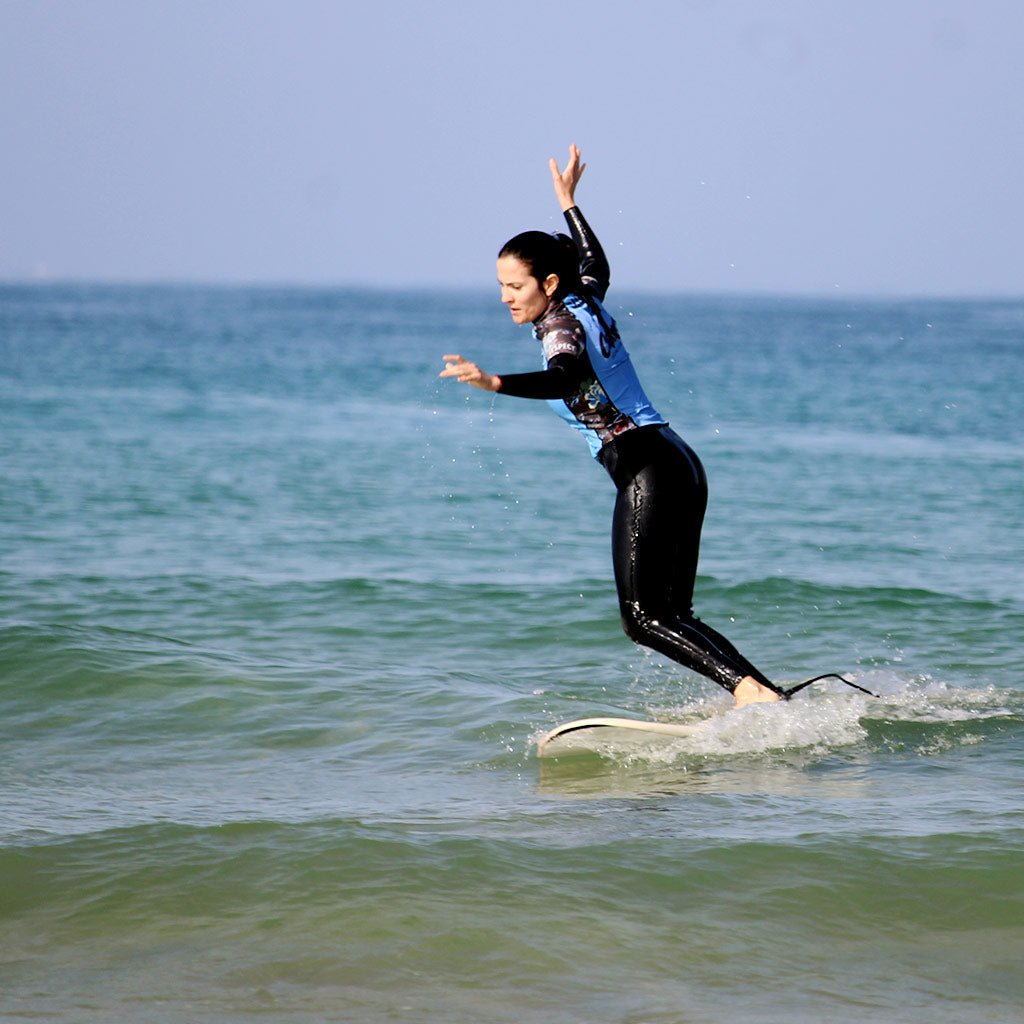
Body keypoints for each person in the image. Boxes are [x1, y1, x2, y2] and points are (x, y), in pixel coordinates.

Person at [440, 145, 783, 707]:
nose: (505, 298)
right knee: (673, 614)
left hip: (648, 468)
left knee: (644, 619)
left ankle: (753, 695)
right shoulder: (582, 298)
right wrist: (569, 203)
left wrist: (496, 383)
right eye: (500, 286)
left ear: (548, 284)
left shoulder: (560, 329)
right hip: (678, 462)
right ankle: (763, 695)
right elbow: (595, 263)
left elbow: (567, 377)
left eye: (515, 287)